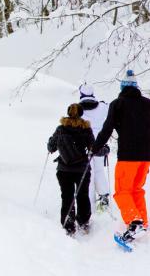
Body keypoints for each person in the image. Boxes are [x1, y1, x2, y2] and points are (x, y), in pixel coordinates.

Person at [92, 70, 150, 242]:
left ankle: (134, 222)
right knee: (136, 190)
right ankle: (142, 222)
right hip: (145, 157)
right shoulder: (148, 104)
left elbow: (107, 128)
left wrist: (95, 147)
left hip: (128, 156)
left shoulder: (118, 104)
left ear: (123, 87)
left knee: (122, 191)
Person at [47, 103, 95, 235]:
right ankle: (83, 222)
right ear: (81, 113)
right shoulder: (86, 129)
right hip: (82, 170)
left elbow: (51, 148)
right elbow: (93, 147)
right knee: (83, 195)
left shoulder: (61, 128)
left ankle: (68, 224)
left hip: (64, 169)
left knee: (67, 196)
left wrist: (51, 141)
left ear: (68, 113)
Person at [79, 83, 110, 211]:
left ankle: (89, 205)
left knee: (88, 175)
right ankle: (103, 198)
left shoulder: (78, 109)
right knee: (99, 171)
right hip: (100, 145)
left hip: (84, 146)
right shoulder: (102, 107)